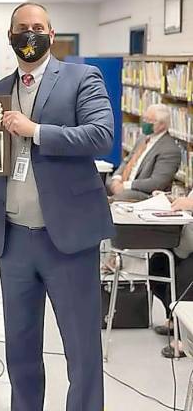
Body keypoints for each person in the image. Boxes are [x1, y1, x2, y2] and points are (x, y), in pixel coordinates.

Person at [0, 2, 114, 411]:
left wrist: (37, 131)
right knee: (21, 351)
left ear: (51, 34)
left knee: (81, 350)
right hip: (14, 242)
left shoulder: (82, 79)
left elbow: (101, 135)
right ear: (10, 35)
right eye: (21, 28)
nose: (28, 34)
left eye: (37, 27)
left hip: (67, 241)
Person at [150, 191, 193, 358]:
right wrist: (174, 200)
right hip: (185, 239)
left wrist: (189, 204)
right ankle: (174, 319)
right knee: (158, 264)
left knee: (185, 276)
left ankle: (187, 337)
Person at [108, 104, 181, 201]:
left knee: (122, 196)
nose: (145, 123)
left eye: (150, 121)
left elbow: (157, 182)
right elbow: (127, 160)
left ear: (162, 125)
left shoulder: (170, 150)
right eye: (145, 119)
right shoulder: (143, 138)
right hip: (125, 184)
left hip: (144, 193)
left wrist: (125, 185)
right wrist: (117, 178)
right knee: (99, 185)